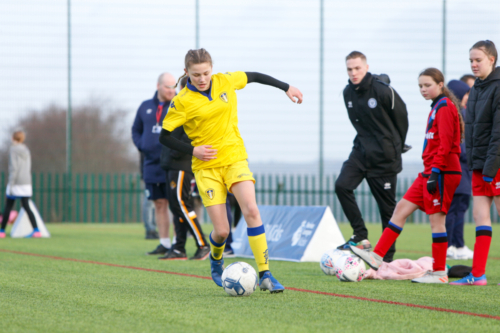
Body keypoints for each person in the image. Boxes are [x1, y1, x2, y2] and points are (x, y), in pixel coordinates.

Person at [160, 48, 303, 292]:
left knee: (251, 210)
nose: (202, 78)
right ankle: (216, 257)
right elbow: (165, 136)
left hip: (235, 158)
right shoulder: (182, 100)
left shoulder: (226, 81)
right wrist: (193, 149)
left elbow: (255, 76)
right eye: (196, 75)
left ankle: (266, 274)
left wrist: (286, 87)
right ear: (187, 73)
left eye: (206, 73)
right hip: (206, 169)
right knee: (222, 230)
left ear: (211, 69)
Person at [351, 68, 463, 284]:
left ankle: (439, 273)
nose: (423, 89)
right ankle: (375, 258)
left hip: (442, 171)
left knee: (436, 221)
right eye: (420, 86)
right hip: (430, 171)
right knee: (401, 208)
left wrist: (436, 172)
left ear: (441, 85)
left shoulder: (446, 107)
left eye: (427, 85)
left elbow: (447, 144)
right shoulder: (436, 107)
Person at [335, 51, 409, 263]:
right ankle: (360, 235)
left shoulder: (383, 91)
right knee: (342, 185)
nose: (353, 73)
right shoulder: (347, 93)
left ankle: (387, 257)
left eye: (357, 68)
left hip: (384, 157)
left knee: (387, 210)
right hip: (360, 153)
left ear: (366, 67)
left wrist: (396, 146)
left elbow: (402, 118)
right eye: (349, 69)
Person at [451, 40, 500, 286]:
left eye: (478, 60)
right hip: (479, 165)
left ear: (492, 59)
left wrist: (491, 169)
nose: (473, 64)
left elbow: (498, 134)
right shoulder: (477, 87)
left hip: (496, 165)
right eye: (471, 60)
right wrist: (475, 165)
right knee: (481, 218)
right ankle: (478, 274)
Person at [159, 76, 210, 261]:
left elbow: (190, 136)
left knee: (182, 204)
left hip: (181, 165)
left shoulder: (190, 105)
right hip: (172, 165)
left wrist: (175, 155)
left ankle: (203, 245)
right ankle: (179, 247)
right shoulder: (178, 106)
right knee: (176, 206)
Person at [132, 73, 175, 255]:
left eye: (174, 87)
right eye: (168, 87)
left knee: (175, 203)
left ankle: (177, 243)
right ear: (158, 86)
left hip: (172, 163)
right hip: (150, 164)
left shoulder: (178, 106)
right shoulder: (145, 107)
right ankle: (164, 243)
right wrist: (143, 145)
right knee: (159, 203)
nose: (172, 91)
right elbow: (136, 130)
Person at [445, 80, 473, 260]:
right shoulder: (459, 115)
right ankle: (452, 245)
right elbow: (462, 148)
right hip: (459, 172)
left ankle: (456, 244)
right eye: (465, 94)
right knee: (454, 210)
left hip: (463, 173)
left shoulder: (461, 114)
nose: (468, 98)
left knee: (457, 210)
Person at [0, 131, 41, 238]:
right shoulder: (26, 150)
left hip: (16, 182)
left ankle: (2, 231)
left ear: (13, 138)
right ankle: (36, 230)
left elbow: (14, 168)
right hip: (26, 182)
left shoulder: (13, 150)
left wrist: (11, 183)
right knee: (26, 206)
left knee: (8, 206)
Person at [140, 153, 158, 239]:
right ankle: (149, 229)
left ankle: (153, 228)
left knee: (156, 203)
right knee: (149, 203)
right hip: (149, 174)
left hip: (158, 174)